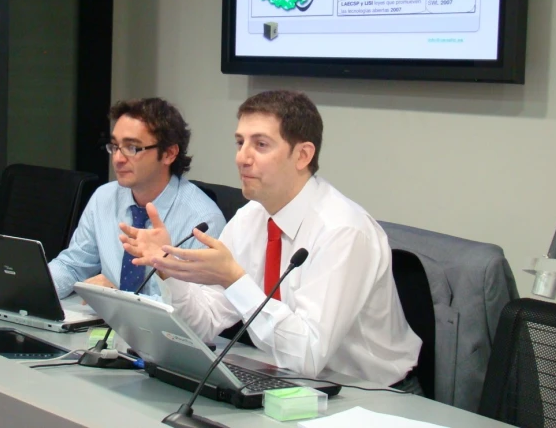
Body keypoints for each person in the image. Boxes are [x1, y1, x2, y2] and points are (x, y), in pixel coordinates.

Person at [120, 90, 422, 391]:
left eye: (260, 145)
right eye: (240, 143)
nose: (242, 158)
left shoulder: (342, 231)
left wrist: (234, 280)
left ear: (302, 155)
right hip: (288, 381)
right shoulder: (250, 218)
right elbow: (203, 325)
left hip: (372, 395)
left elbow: (307, 356)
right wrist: (170, 272)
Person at [48, 97, 226, 299]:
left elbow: (200, 308)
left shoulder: (203, 221)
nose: (118, 158)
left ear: (169, 153)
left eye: (132, 148)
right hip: (102, 324)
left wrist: (119, 299)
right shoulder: (103, 197)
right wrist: (32, 288)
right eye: (115, 146)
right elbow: (73, 266)